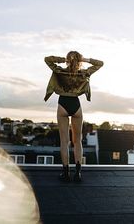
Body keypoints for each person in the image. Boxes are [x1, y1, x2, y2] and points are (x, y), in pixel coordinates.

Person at [44, 51, 103, 182]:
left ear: (68, 60)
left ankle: (65, 173)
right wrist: (85, 59)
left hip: (63, 104)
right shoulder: (83, 73)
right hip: (76, 105)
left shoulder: (60, 71)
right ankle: (78, 173)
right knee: (78, 141)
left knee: (64, 141)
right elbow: (100, 64)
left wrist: (63, 59)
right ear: (79, 61)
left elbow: (47, 59)